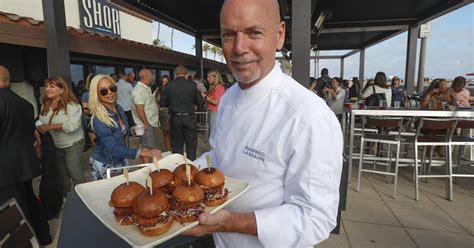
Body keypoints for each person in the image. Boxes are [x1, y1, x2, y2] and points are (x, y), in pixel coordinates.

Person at [184, 1, 343, 247]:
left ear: (279, 36)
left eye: (254, 33)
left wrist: (231, 222)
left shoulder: (309, 117)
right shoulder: (228, 98)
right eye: (228, 34)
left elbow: (316, 218)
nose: (239, 48)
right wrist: (182, 169)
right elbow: (219, 158)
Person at [0, 65, 52, 245]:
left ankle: (27, 243)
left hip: (5, 169)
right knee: (29, 199)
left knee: (13, 209)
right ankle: (44, 236)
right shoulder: (26, 104)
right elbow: (29, 132)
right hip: (25, 164)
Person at [88, 75, 162, 180]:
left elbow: (121, 133)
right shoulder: (98, 119)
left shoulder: (119, 108)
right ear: (96, 94)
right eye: (103, 91)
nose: (109, 92)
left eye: (112, 88)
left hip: (121, 160)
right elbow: (113, 148)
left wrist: (133, 131)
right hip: (106, 164)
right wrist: (144, 152)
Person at [37, 76, 86, 197]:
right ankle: (67, 198)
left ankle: (84, 198)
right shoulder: (45, 104)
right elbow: (42, 121)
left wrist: (50, 127)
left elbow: (73, 126)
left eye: (52, 87)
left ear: (62, 89)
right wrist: (39, 127)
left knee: (74, 172)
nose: (48, 89)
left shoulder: (72, 105)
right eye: (47, 86)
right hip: (56, 144)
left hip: (73, 142)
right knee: (62, 175)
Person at [161, 65, 204, 160]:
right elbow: (200, 101)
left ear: (175, 74)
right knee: (191, 145)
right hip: (189, 118)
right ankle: (191, 166)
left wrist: (172, 104)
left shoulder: (169, 86)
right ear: (186, 74)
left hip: (175, 118)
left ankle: (179, 167)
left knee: (176, 146)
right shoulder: (192, 85)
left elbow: (162, 103)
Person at [131, 69, 160, 163]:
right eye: (151, 77)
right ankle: (147, 168)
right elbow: (139, 108)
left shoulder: (145, 88)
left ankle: (146, 166)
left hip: (148, 122)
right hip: (146, 123)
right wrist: (146, 123)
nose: (153, 79)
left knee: (145, 145)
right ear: (147, 77)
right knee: (148, 147)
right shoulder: (139, 90)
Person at [203, 70, 226, 135]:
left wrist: (205, 97)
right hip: (211, 110)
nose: (207, 79)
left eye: (209, 77)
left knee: (213, 132)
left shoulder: (219, 88)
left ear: (215, 77)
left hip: (215, 111)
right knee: (210, 131)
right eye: (207, 77)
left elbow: (216, 102)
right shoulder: (213, 87)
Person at [154, 75, 172, 151]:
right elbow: (154, 100)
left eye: (166, 82)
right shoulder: (159, 89)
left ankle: (173, 148)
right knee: (165, 132)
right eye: (163, 81)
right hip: (162, 113)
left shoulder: (172, 89)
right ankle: (168, 149)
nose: (164, 83)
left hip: (170, 112)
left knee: (172, 132)